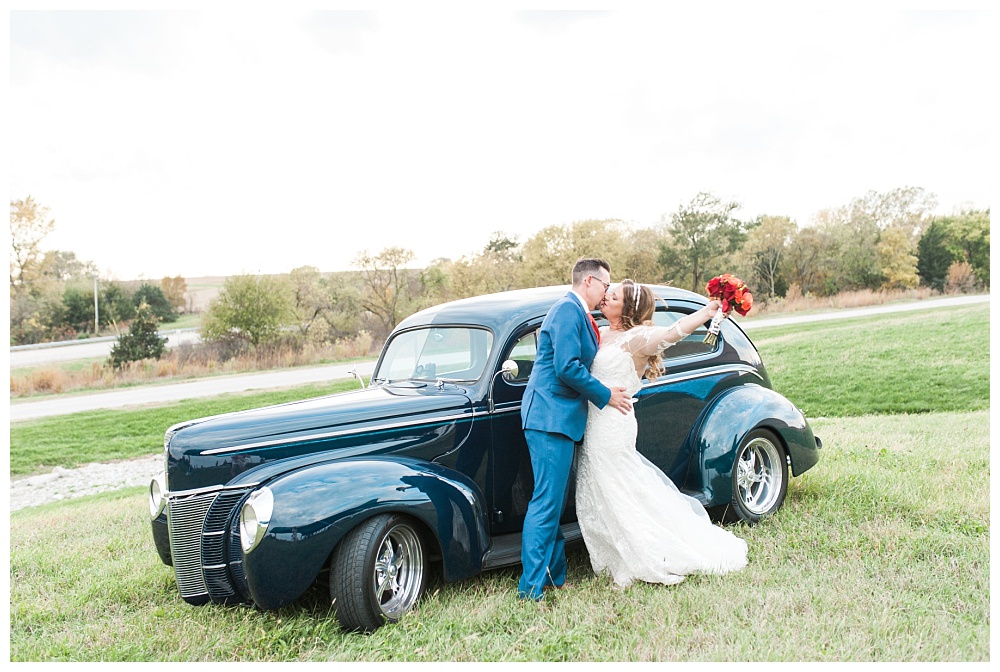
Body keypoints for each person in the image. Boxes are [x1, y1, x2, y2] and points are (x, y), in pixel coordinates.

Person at [575, 279, 748, 587]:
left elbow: (673, 332)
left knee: (617, 487)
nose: (605, 299)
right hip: (593, 422)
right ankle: (615, 552)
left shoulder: (638, 338)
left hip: (614, 424)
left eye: (612, 297)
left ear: (627, 308)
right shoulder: (601, 332)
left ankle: (641, 555)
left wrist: (708, 311)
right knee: (602, 486)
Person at [518, 258, 634, 601]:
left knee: (551, 502)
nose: (606, 293)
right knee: (545, 503)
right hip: (549, 417)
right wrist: (606, 394)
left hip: (557, 417)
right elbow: (566, 367)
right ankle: (531, 588)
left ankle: (554, 577)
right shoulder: (567, 310)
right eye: (604, 286)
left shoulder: (576, 311)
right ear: (588, 281)